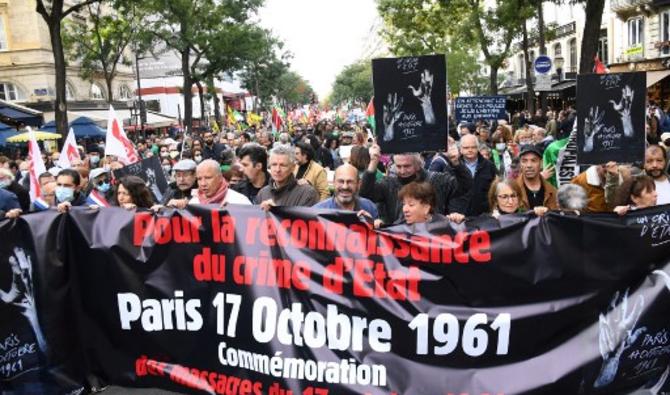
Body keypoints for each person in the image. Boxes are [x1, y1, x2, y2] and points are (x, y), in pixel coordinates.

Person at [360, 144, 471, 225]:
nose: (402, 171)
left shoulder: (437, 180)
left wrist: (456, 163)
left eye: (407, 166)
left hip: (433, 240)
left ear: (418, 164)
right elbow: (366, 193)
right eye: (398, 166)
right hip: (399, 243)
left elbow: (465, 186)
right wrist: (373, 162)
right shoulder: (388, 183)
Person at [256, 145, 319, 210]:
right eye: (274, 164)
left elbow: (307, 219)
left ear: (293, 167)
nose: (277, 170)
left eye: (283, 165)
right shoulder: (262, 193)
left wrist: (276, 211)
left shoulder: (307, 193)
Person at [449, 134, 497, 216]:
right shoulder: (452, 166)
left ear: (478, 148)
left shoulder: (489, 166)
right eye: (466, 148)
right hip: (458, 214)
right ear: (460, 149)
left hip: (483, 214)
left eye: (473, 147)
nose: (470, 150)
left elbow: (494, 189)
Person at [313, 164, 379, 220]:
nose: (345, 187)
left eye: (350, 182)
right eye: (341, 181)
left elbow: (379, 233)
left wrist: (372, 225)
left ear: (359, 184)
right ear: (333, 183)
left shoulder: (370, 208)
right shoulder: (318, 212)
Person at [515, 145, 558, 210]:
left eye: (533, 160)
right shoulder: (512, 189)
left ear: (541, 163)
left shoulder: (552, 192)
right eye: (524, 161)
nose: (529, 165)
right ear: (520, 164)